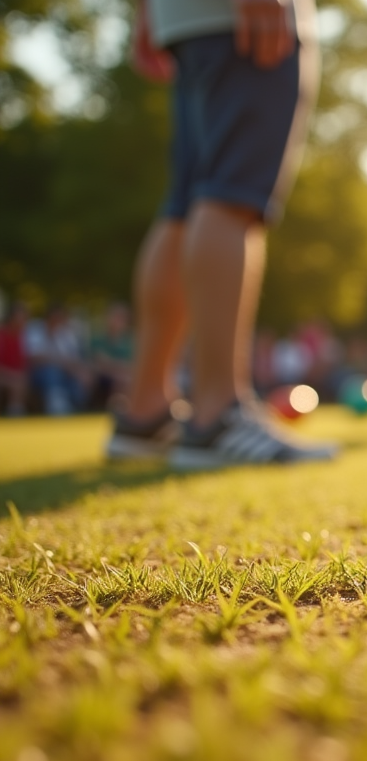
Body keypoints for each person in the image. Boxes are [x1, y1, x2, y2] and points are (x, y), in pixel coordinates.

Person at [107, 0, 334, 466]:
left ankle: (145, 411)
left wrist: (148, 10)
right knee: (230, 199)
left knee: (186, 205)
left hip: (184, 19)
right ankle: (217, 415)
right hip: (242, 19)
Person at [24, 305, 91, 416]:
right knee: (51, 371)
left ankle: (77, 406)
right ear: (49, 317)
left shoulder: (65, 333)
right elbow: (33, 357)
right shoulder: (34, 329)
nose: (58, 321)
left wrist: (79, 370)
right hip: (37, 373)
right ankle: (56, 404)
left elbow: (73, 359)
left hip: (63, 372)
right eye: (56, 317)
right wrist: (57, 361)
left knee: (78, 378)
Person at [91, 302, 135, 409]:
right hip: (103, 377)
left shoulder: (130, 341)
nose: (118, 321)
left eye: (121, 318)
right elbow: (100, 363)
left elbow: (134, 364)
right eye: (115, 316)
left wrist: (114, 365)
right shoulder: (98, 339)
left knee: (126, 379)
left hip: (124, 375)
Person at [0, 301, 29, 416]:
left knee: (20, 381)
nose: (23, 320)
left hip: (17, 375)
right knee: (17, 383)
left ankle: (15, 410)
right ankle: (14, 411)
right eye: (20, 317)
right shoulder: (2, 335)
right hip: (5, 375)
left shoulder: (23, 337)